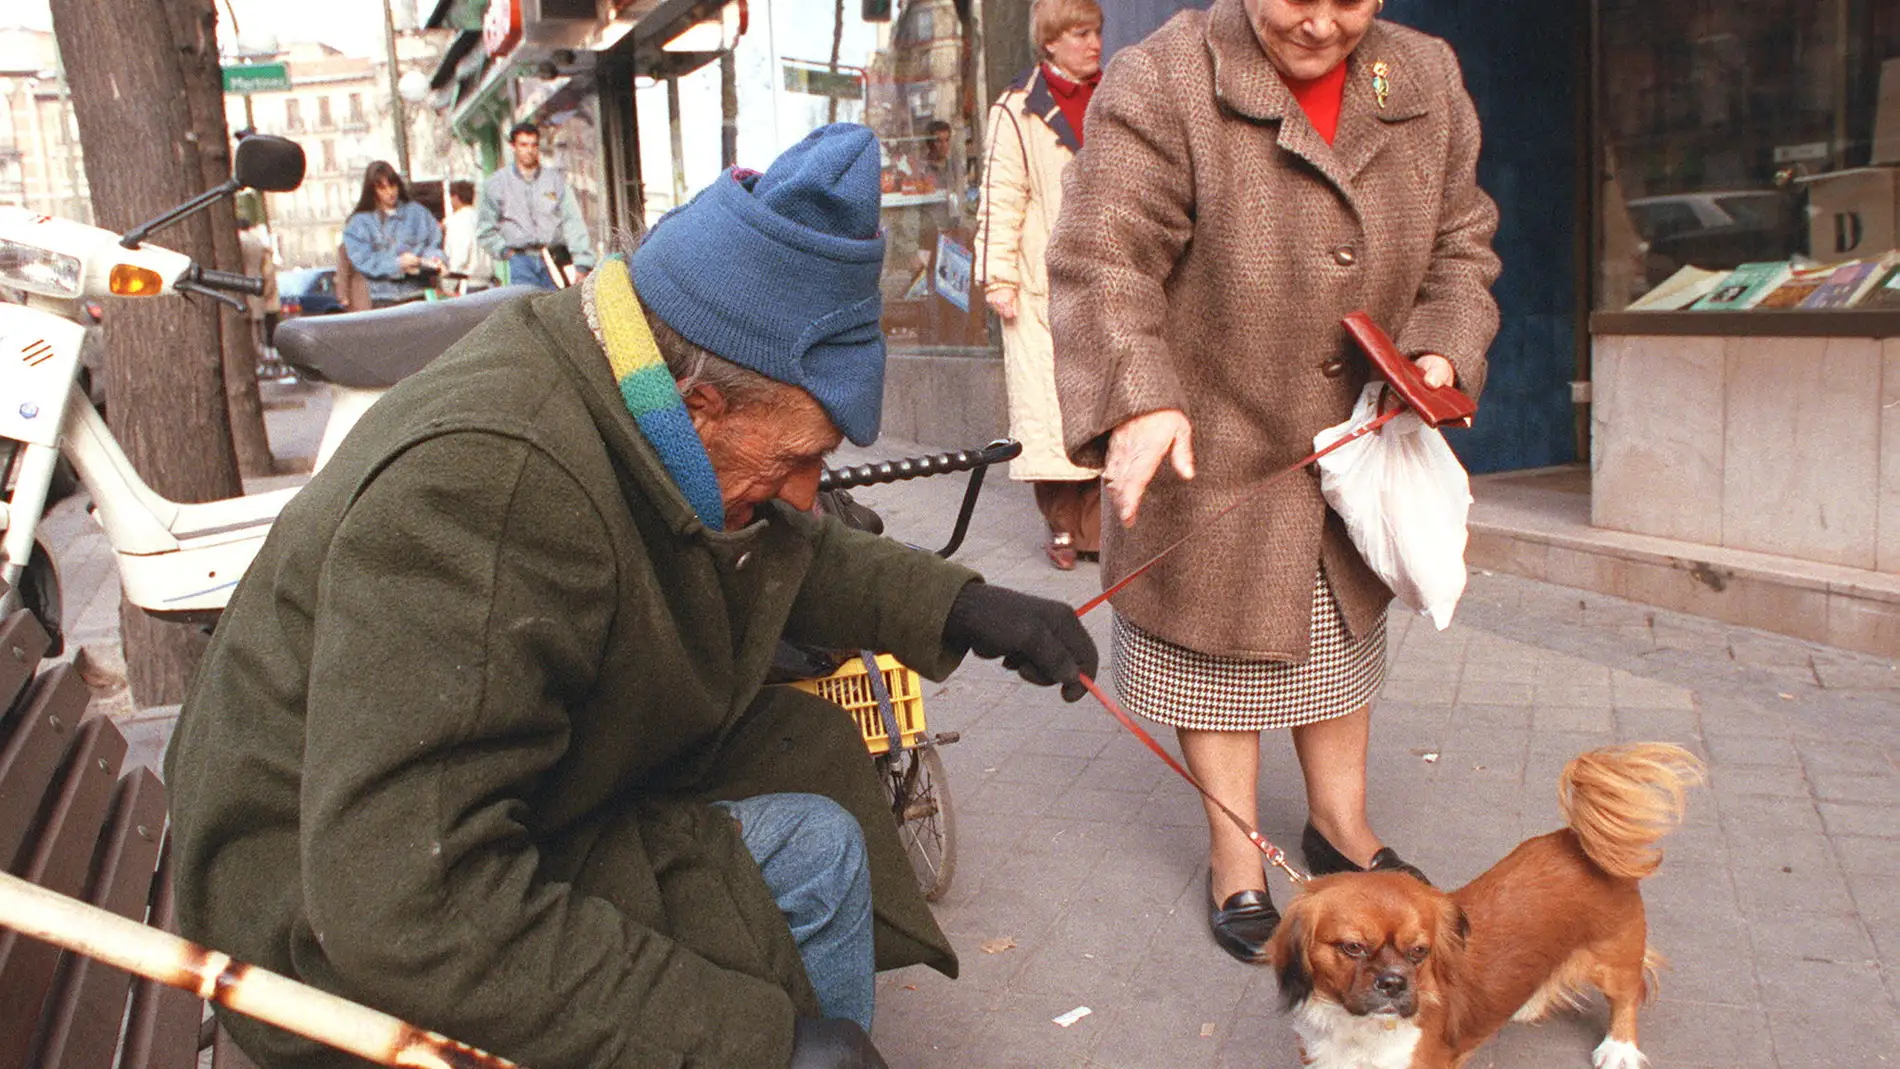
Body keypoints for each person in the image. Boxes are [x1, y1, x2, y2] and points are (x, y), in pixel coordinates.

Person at [164, 124, 1097, 1069]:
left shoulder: (616, 376)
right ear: (703, 408)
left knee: (810, 804)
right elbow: (412, 905)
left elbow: (781, 552)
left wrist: (964, 608)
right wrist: (758, 1046)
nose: (811, 495)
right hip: (321, 945)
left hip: (427, 844)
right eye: (800, 459)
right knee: (810, 853)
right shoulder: (491, 489)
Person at [1048, 0, 1500, 964]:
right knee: (1211, 655)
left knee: (1340, 638)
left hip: (1354, 433)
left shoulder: (1424, 76)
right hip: (1207, 428)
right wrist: (1140, 397)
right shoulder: (1164, 77)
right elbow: (1104, 254)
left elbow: (1464, 245)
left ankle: (1342, 827)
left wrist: (1440, 355)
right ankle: (1236, 855)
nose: (1321, 23)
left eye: (1349, 1)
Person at [975, 0, 1106, 571]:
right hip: (1040, 288)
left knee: (1105, 409)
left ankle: (1099, 532)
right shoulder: (1017, 109)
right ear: (1050, 41)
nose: (1094, 43)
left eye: (1097, 31)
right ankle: (1061, 527)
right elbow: (1002, 194)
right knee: (1050, 417)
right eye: (1080, 33)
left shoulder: (1117, 96)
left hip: (1108, 282)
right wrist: (998, 277)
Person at [477, 120, 598, 290]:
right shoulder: (496, 184)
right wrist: (505, 252)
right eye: (523, 145)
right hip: (520, 259)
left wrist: (582, 262)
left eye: (533, 145)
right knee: (524, 309)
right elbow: (485, 227)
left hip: (554, 258)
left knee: (556, 308)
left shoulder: (555, 181)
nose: (529, 150)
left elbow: (572, 221)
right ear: (513, 146)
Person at [340, 161, 445, 309]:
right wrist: (398, 263)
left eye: (392, 185)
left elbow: (434, 243)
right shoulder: (358, 223)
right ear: (372, 190)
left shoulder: (418, 213)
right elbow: (364, 260)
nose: (390, 192)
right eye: (382, 188)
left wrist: (435, 260)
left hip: (418, 294)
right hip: (383, 299)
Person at [235, 217, 285, 379]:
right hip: (257, 285)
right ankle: (263, 360)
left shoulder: (239, 241)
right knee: (259, 327)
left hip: (241, 285)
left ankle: (257, 361)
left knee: (250, 330)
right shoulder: (257, 242)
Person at [440, 178, 491, 296]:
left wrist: (448, 286)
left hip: (467, 285)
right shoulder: (482, 220)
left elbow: (459, 256)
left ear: (455, 198)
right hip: (488, 284)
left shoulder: (457, 222)